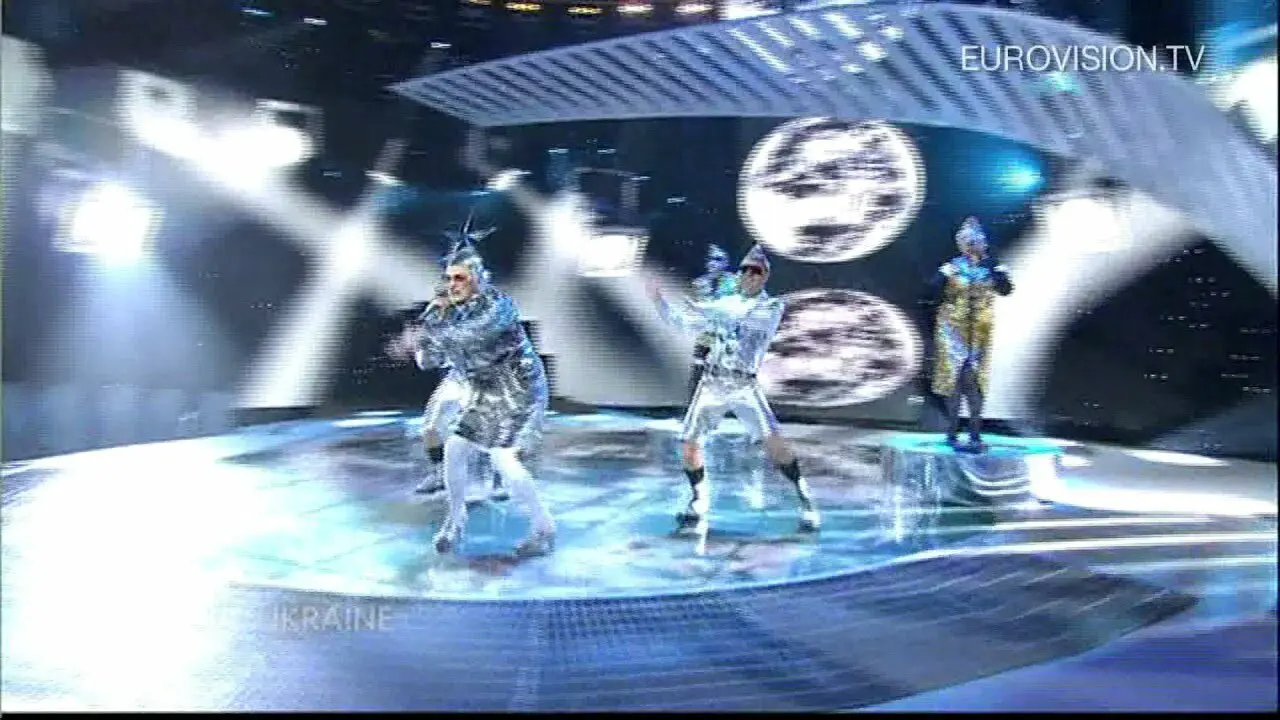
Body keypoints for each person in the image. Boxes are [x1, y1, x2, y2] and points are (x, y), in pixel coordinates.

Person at [388, 238, 554, 556]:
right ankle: (455, 520)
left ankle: (543, 527)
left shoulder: (498, 305)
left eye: (460, 278)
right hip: (483, 393)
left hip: (520, 390)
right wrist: (427, 328)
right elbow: (428, 362)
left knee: (503, 459)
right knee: (455, 448)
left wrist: (432, 325)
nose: (452, 285)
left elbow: (471, 334)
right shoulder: (447, 315)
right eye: (449, 278)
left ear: (477, 278)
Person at [647, 244, 820, 534]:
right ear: (739, 274)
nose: (750, 276)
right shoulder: (724, 304)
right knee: (689, 442)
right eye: (745, 270)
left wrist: (704, 307)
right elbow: (683, 323)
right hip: (712, 383)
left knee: (774, 443)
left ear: (764, 277)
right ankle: (698, 499)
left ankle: (804, 496)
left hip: (743, 386)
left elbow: (737, 315)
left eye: (756, 272)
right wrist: (659, 302)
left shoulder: (770, 307)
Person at [926, 216, 1014, 452]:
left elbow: (1006, 289)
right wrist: (946, 280)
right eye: (969, 242)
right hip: (952, 327)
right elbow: (932, 288)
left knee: (975, 378)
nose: (974, 246)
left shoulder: (992, 267)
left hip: (980, 328)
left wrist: (995, 269)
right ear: (962, 244)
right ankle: (952, 431)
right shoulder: (953, 266)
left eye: (977, 242)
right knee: (954, 377)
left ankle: (975, 432)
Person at [688, 244, 738, 400]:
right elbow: (698, 308)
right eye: (711, 260)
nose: (713, 263)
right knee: (699, 363)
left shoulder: (734, 282)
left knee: (726, 366)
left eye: (718, 259)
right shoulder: (700, 283)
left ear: (725, 263)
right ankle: (693, 399)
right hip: (707, 331)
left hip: (728, 331)